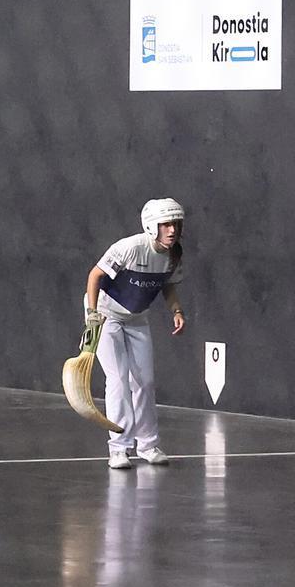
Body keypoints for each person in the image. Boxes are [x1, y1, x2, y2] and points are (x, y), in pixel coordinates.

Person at [84, 198, 186, 469]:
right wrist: (93, 316)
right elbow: (95, 276)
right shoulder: (128, 248)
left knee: (145, 382)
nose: (172, 230)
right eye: (166, 224)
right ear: (152, 226)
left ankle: (148, 444)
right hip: (106, 316)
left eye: (175, 224)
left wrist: (176, 310)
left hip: (138, 319)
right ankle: (118, 448)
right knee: (118, 380)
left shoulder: (173, 255)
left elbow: (168, 286)